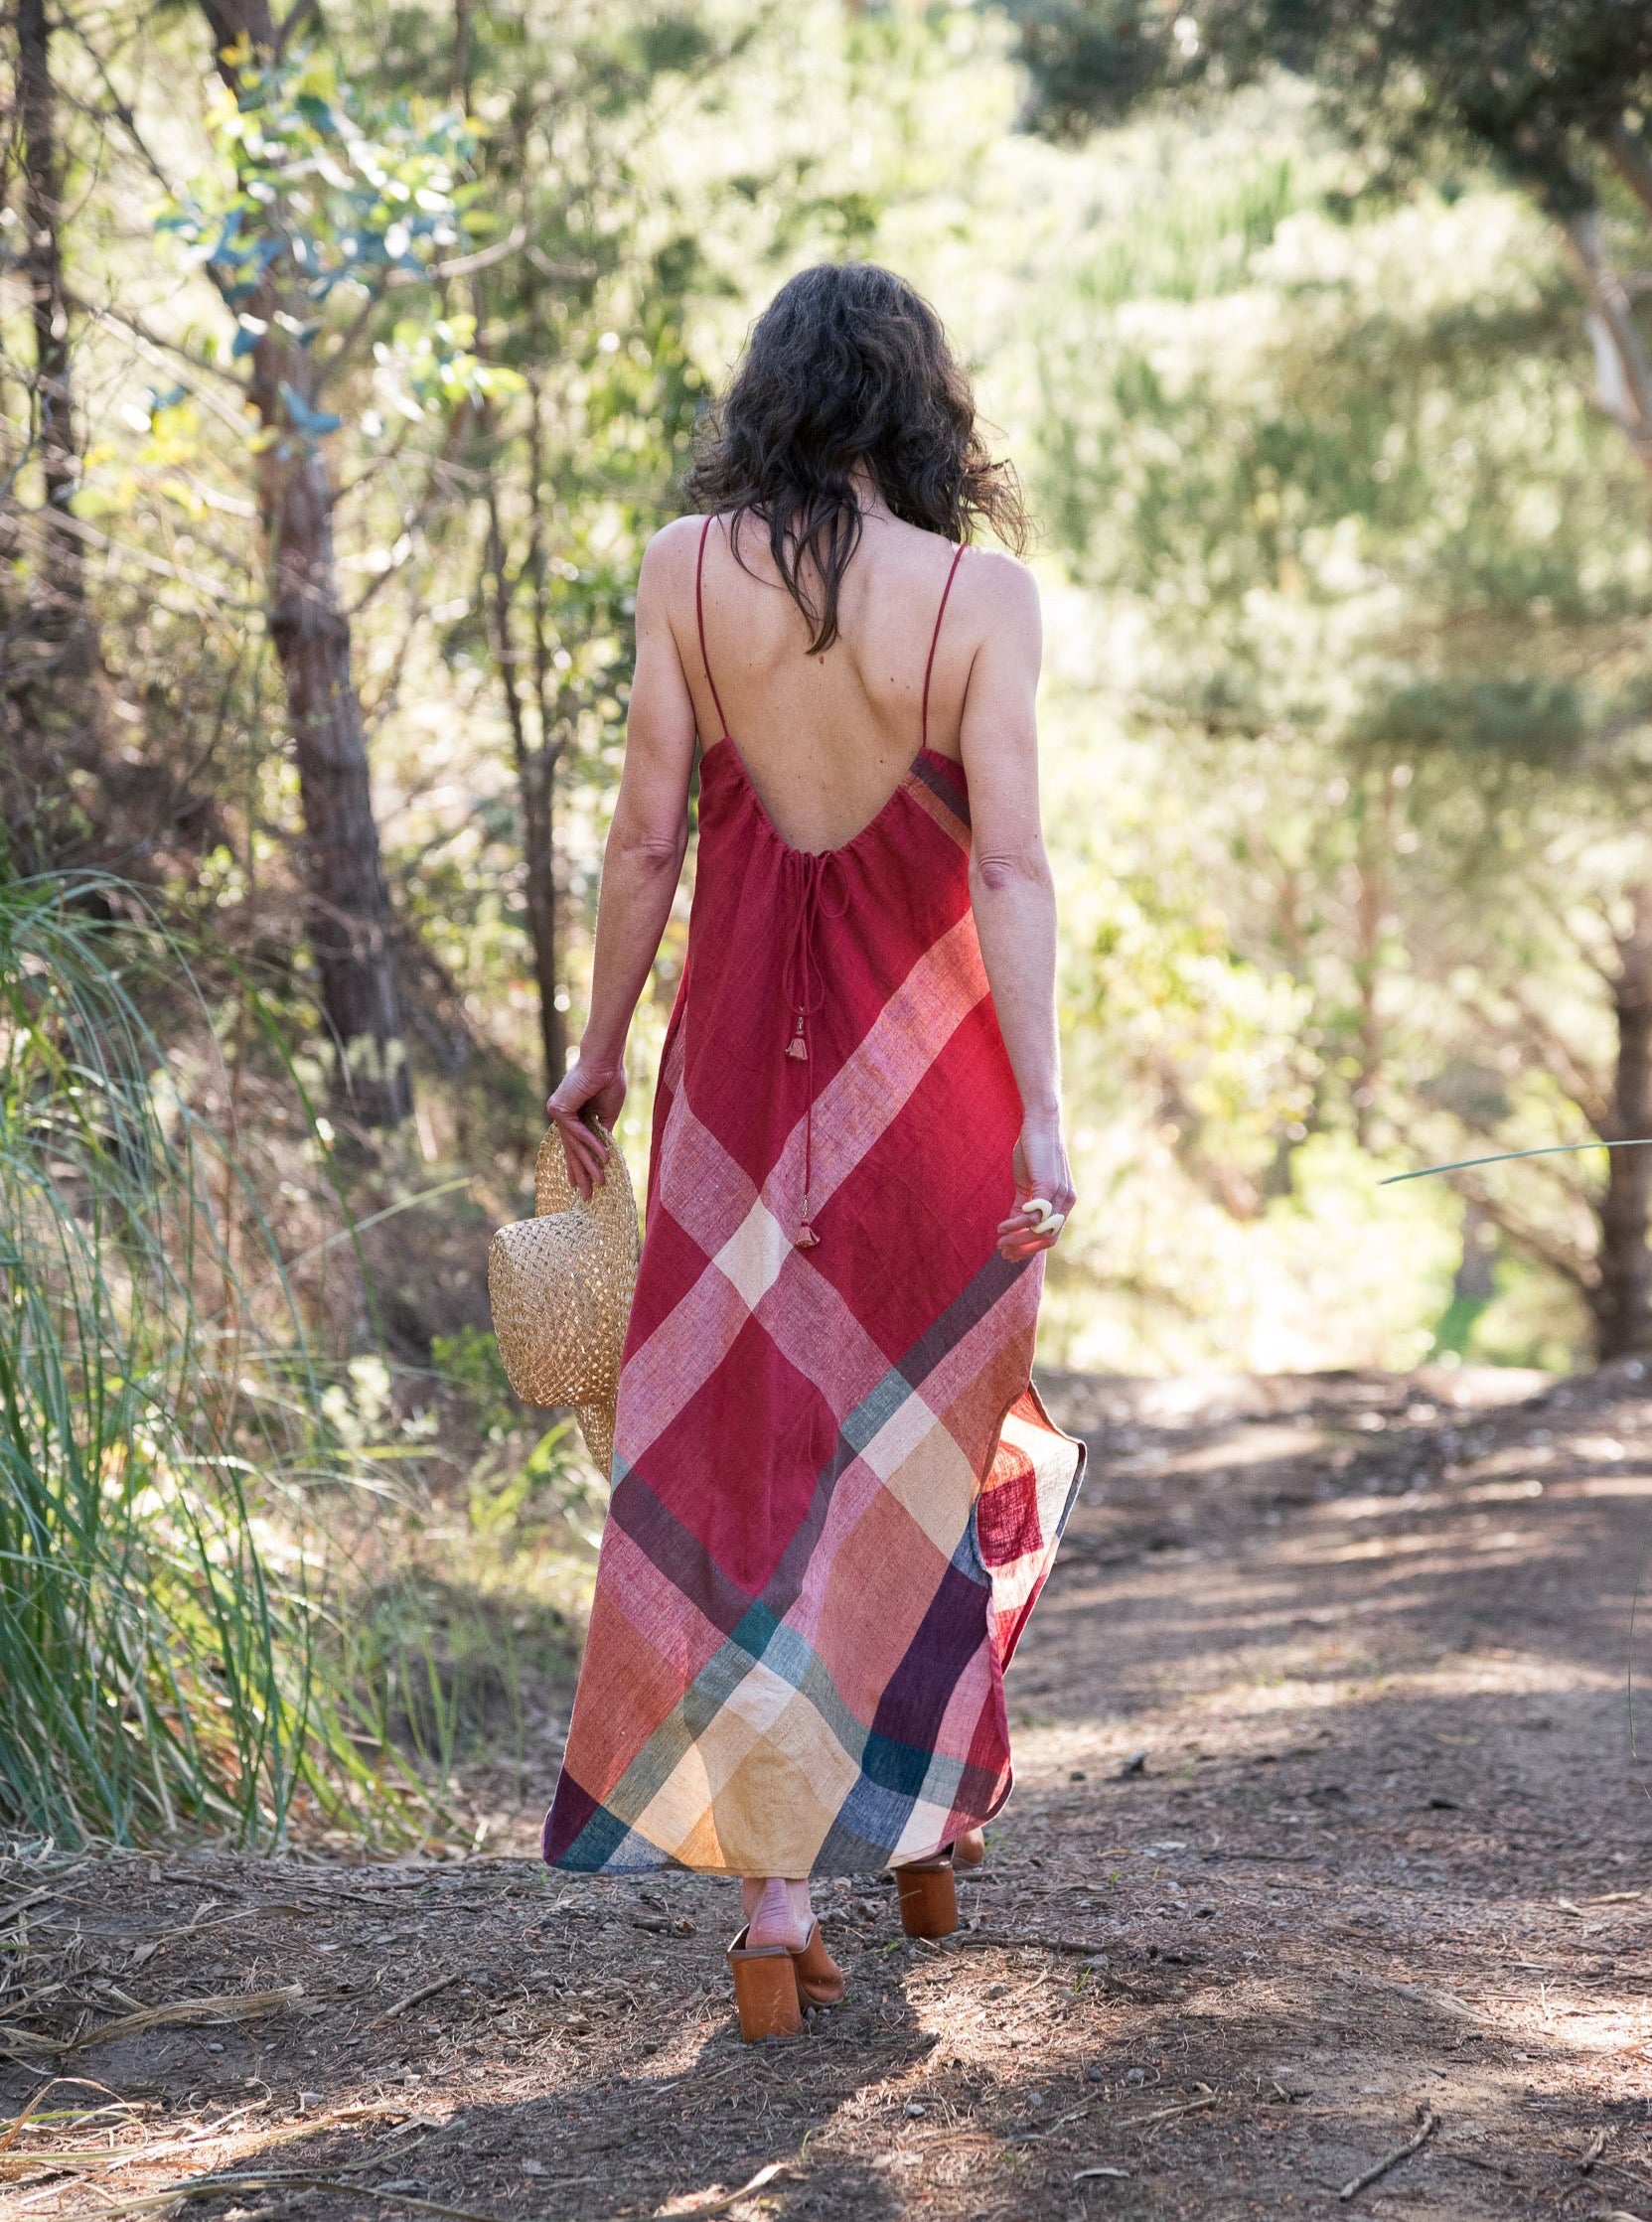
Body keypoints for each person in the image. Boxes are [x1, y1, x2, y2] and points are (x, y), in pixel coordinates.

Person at [540, 261, 1084, 2039]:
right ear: (922, 411)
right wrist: (1050, 1112)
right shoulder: (980, 597)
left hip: (734, 1099)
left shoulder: (689, 572)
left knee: (753, 1452)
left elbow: (640, 842)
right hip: (925, 1097)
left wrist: (601, 1045)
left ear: (769, 397)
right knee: (927, 1438)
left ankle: (780, 1900)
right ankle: (923, 1816)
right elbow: (1008, 867)